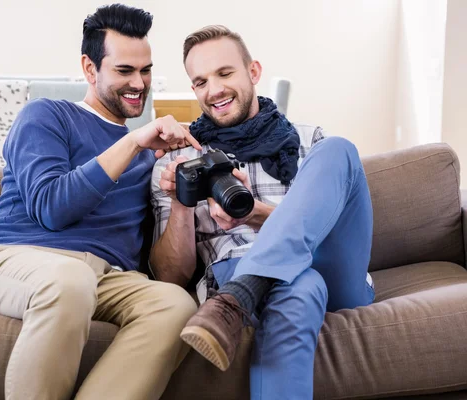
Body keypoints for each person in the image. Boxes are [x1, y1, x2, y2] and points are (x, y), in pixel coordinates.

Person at [0, 4, 201, 400]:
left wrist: (182, 191)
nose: (139, 83)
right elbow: (52, 208)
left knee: (175, 304)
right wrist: (132, 140)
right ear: (90, 69)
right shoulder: (45, 116)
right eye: (124, 71)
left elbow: (166, 266)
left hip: (107, 278)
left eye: (146, 70)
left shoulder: (150, 155)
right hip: (16, 260)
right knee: (69, 281)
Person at [150, 25, 374, 399]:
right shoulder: (178, 162)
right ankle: (247, 289)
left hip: (327, 267)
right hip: (247, 267)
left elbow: (328, 230)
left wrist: (253, 212)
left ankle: (240, 294)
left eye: (225, 73)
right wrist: (181, 202)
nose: (214, 90)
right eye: (201, 81)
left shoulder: (308, 141)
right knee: (299, 288)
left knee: (339, 148)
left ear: (253, 72)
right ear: (194, 90)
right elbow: (171, 276)